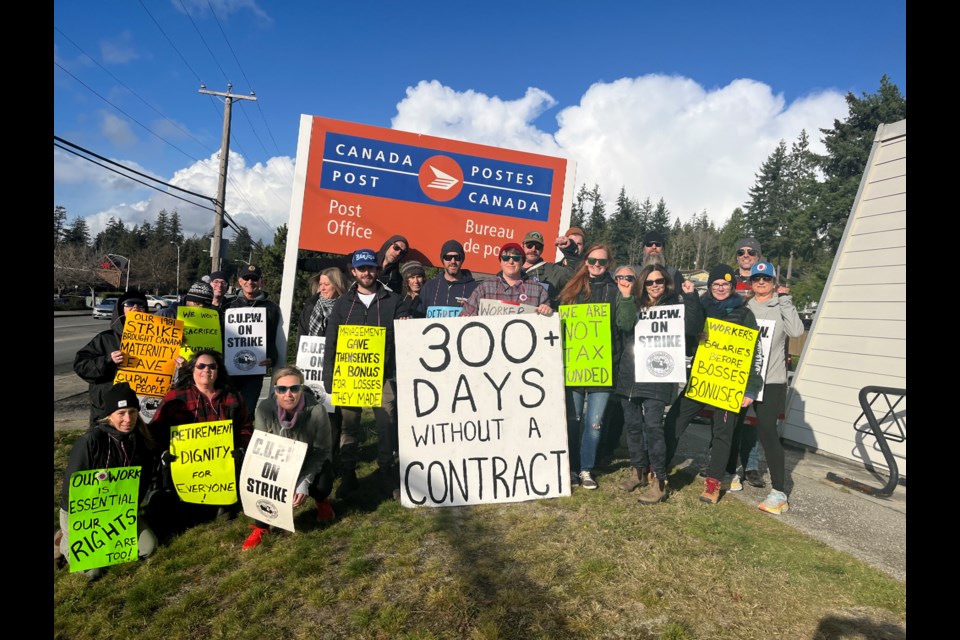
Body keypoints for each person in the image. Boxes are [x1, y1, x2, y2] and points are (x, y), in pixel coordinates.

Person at [662, 264, 764, 504]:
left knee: (723, 434)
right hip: (701, 378)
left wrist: (751, 387)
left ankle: (713, 483)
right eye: (717, 284)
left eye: (726, 285)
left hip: (729, 384)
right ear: (710, 286)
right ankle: (659, 467)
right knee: (674, 421)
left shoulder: (744, 313)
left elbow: (753, 353)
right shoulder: (700, 307)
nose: (720, 288)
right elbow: (685, 334)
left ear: (732, 287)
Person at [615, 265, 703, 504]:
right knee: (633, 426)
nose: (655, 286)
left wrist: (692, 297)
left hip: (657, 375)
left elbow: (694, 328)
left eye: (660, 281)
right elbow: (623, 325)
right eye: (650, 282)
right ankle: (638, 471)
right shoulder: (634, 304)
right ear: (643, 283)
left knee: (653, 427)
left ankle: (660, 481)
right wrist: (625, 297)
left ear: (666, 284)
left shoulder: (675, 307)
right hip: (630, 375)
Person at [322, 248, 403, 500]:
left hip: (384, 375)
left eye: (371, 268)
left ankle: (385, 472)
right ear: (354, 272)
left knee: (386, 425)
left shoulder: (394, 301)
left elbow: (403, 338)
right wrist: (329, 375)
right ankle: (348, 474)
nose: (367, 272)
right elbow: (331, 341)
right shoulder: (342, 304)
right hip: (349, 375)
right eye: (362, 268)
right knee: (350, 427)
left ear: (378, 270)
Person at [55, 382, 158, 580]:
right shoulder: (91, 440)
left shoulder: (142, 440)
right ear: (109, 415)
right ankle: (62, 539)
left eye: (132, 412)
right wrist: (73, 524)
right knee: (93, 572)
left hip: (118, 514)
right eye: (121, 413)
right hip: (82, 515)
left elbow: (142, 482)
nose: (128, 419)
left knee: (148, 549)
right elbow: (71, 488)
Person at [148, 349, 254, 526]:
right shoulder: (175, 397)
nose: (207, 370)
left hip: (223, 470)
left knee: (223, 515)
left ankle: (222, 506)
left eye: (212, 366)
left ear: (218, 370)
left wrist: (241, 448)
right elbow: (158, 431)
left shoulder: (232, 397)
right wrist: (165, 452)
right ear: (192, 370)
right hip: (186, 471)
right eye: (201, 366)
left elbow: (246, 427)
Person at [242, 367, 336, 550]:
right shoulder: (264, 409)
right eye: (281, 389)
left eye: (294, 388)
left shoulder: (317, 411)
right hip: (276, 464)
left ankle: (322, 500)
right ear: (275, 390)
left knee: (323, 479)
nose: (288, 394)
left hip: (308, 461)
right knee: (260, 482)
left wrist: (303, 482)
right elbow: (261, 447)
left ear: (301, 388)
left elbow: (322, 451)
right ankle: (262, 526)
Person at [557, 244, 621, 490]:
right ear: (586, 261)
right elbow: (558, 318)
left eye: (602, 262)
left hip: (602, 368)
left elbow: (621, 328)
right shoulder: (571, 288)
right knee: (573, 421)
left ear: (608, 264)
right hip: (574, 365)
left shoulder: (615, 290)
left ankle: (586, 469)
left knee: (595, 423)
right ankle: (571, 468)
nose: (596, 265)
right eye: (592, 261)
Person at [743, 261, 805, 514]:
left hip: (772, 380)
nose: (760, 283)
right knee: (735, 426)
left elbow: (797, 331)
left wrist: (785, 300)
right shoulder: (744, 307)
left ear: (773, 282)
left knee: (768, 431)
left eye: (766, 279)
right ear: (751, 282)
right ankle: (730, 472)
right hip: (744, 379)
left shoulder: (781, 306)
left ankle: (779, 491)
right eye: (756, 279)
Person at [296, 267, 349, 474]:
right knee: (308, 413)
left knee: (333, 417)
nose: (323, 288)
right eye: (321, 284)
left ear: (337, 285)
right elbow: (302, 332)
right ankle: (306, 461)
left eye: (327, 284)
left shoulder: (346, 307)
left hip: (335, 369)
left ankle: (329, 461)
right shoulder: (311, 306)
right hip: (310, 367)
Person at [74, 288, 150, 428]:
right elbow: (81, 366)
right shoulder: (105, 339)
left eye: (141, 305)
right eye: (130, 304)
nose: (136, 308)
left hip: (141, 409)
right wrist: (107, 360)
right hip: (107, 410)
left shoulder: (155, 340)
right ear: (121, 309)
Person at [225, 263, 284, 416]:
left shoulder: (272, 308)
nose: (250, 282)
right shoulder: (227, 306)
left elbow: (274, 338)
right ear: (240, 281)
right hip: (228, 372)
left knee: (247, 413)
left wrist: (272, 357)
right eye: (246, 278)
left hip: (254, 373)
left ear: (260, 282)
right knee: (226, 413)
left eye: (254, 278)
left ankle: (243, 440)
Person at [460, 242, 554, 317]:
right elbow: (465, 314)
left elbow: (548, 321)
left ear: (522, 262)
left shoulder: (538, 290)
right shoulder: (485, 287)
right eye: (506, 258)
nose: (511, 261)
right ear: (500, 261)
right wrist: (465, 318)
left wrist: (548, 311)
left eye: (516, 258)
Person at [519, 230, 578, 308]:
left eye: (538, 247)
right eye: (529, 245)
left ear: (542, 249)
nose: (533, 249)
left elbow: (573, 275)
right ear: (522, 246)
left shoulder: (552, 271)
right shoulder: (511, 268)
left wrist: (569, 250)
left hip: (540, 318)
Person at [419, 239, 479, 313]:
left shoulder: (474, 289)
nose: (453, 261)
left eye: (457, 257)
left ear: (462, 259)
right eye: (448, 257)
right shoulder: (429, 287)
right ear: (443, 260)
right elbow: (418, 316)